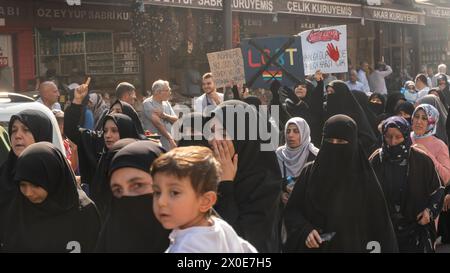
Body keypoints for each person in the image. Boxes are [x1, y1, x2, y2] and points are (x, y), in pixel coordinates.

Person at [283, 115, 398, 253]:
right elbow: (292, 211)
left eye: (341, 142)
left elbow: (380, 229)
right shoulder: (310, 173)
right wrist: (305, 230)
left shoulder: (365, 179)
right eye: (329, 141)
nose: (334, 146)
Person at [151, 146, 257, 253]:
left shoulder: (186, 248)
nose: (161, 202)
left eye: (174, 193)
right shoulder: (220, 226)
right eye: (157, 192)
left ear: (206, 201)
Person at [1, 142, 100, 253]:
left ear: (53, 179)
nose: (28, 192)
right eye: (23, 185)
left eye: (36, 185)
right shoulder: (18, 210)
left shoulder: (84, 212)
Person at [211, 101, 282, 252]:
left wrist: (225, 186)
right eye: (212, 131)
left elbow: (241, 244)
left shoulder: (265, 182)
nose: (213, 140)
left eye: (223, 133)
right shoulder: (210, 173)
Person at [64, 80, 145, 212]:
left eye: (119, 111)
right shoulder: (98, 141)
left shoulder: (140, 153)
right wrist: (77, 101)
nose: (108, 135)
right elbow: (71, 130)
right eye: (112, 111)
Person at [370, 116, 444, 252]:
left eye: (398, 137)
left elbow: (438, 191)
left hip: (416, 231)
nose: (392, 142)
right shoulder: (376, 160)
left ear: (405, 136)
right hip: (384, 231)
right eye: (388, 137)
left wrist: (429, 212)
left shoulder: (421, 160)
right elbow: (366, 193)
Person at [96, 140, 170, 253]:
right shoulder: (108, 240)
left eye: (137, 185)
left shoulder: (195, 245)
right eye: (118, 190)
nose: (126, 197)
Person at [0, 110, 53, 244]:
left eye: (26, 130)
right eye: (14, 130)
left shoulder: (55, 174)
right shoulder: (4, 173)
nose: (17, 136)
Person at [325, 80, 378, 155]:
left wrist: (348, 144)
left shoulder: (354, 113)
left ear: (341, 93)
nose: (329, 95)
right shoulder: (327, 110)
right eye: (328, 92)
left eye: (332, 92)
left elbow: (367, 138)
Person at [411, 104, 450, 185]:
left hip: (426, 193)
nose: (418, 121)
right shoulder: (404, 137)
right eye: (416, 116)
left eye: (424, 118)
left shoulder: (439, 145)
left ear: (432, 122)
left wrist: (428, 155)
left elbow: (447, 178)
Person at [143, 80, 178, 151]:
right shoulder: (148, 103)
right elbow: (158, 123)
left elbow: (176, 120)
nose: (170, 93)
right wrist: (170, 139)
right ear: (158, 92)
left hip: (169, 142)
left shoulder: (166, 103)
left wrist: (165, 116)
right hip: (155, 143)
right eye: (167, 90)